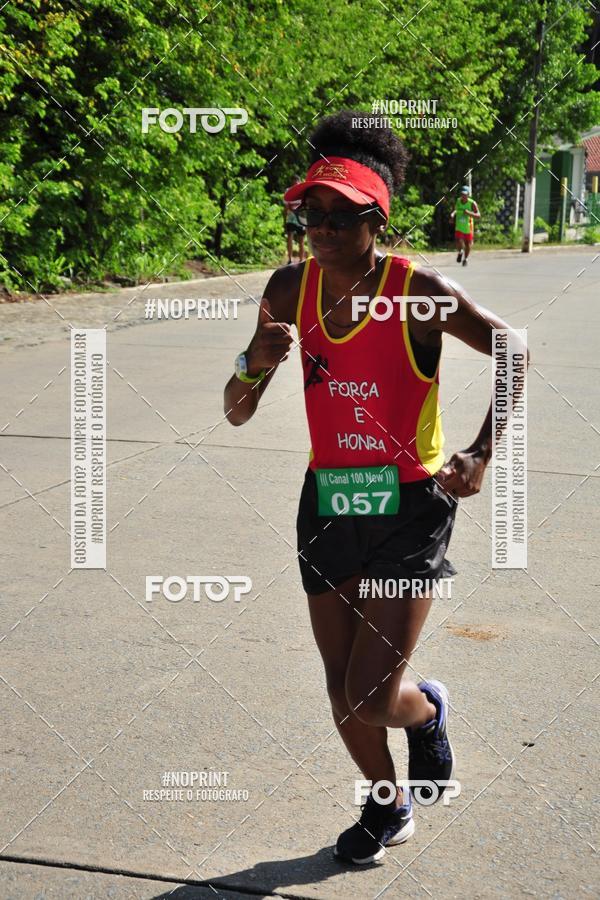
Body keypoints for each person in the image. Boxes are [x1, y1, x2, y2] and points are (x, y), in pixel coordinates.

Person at [223, 111, 526, 865]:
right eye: (309, 213)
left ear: (376, 217)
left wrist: (481, 452)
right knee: (340, 691)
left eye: (339, 216)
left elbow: (513, 349)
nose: (320, 228)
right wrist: (254, 361)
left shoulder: (418, 291)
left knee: (370, 694)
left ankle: (425, 711)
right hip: (329, 499)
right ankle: (386, 805)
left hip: (407, 504)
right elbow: (235, 409)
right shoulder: (286, 288)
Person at [450, 186, 480, 266]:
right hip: (459, 225)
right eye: (462, 194)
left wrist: (469, 213)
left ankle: (465, 259)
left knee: (467, 244)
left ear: (468, 195)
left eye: (465, 194)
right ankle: (460, 252)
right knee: (458, 241)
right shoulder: (458, 201)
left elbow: (478, 215)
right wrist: (452, 215)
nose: (463, 196)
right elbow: (455, 210)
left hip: (468, 226)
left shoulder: (472, 203)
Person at [283, 175, 307, 265]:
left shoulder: (303, 191)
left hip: (301, 217)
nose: (295, 185)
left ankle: (301, 260)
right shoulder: (288, 191)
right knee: (290, 237)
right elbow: (286, 206)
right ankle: (290, 259)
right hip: (291, 218)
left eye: (297, 183)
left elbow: (306, 205)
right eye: (294, 183)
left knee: (301, 239)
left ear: (299, 182)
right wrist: (284, 220)